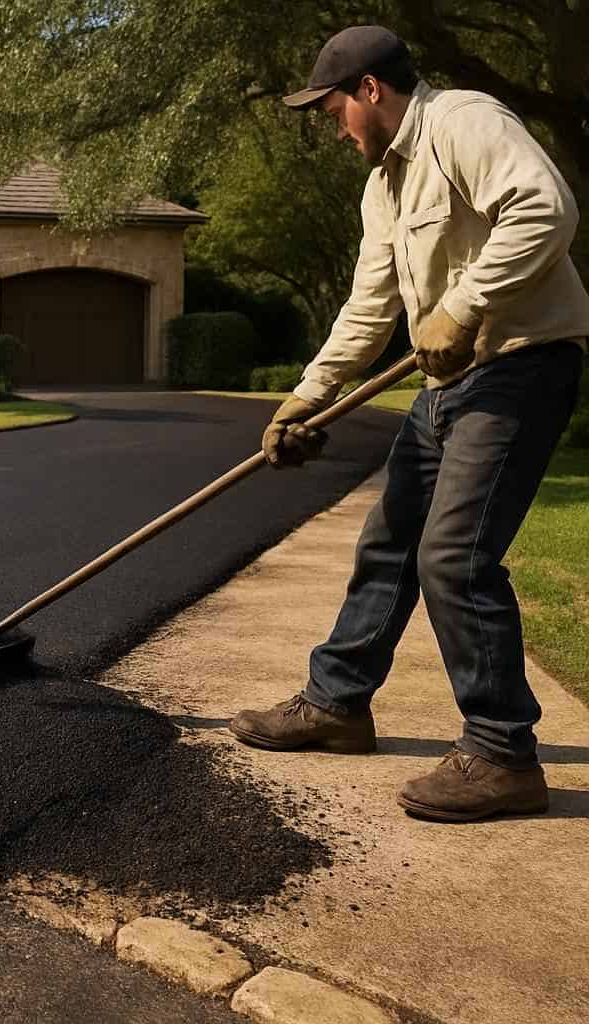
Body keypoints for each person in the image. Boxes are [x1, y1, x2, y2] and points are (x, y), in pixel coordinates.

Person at [230, 25, 589, 822]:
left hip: (519, 368)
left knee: (455, 556)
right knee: (388, 541)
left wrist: (464, 305)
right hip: (448, 386)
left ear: (369, 90)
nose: (332, 127)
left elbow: (545, 207)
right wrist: (307, 397)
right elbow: (371, 307)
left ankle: (503, 754)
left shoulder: (465, 121)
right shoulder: (383, 186)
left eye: (332, 110)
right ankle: (338, 705)